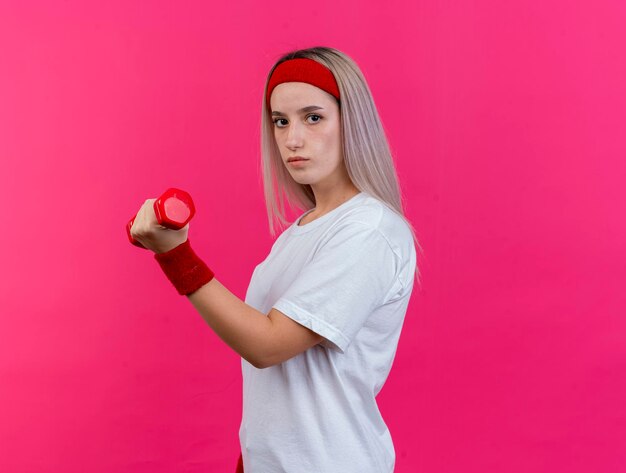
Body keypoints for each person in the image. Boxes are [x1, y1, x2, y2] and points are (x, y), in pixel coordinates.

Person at [129, 46, 422, 473]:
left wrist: (177, 257)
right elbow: (281, 388)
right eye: (280, 121)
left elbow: (267, 345)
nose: (292, 139)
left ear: (352, 122)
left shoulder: (368, 230)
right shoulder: (300, 233)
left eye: (313, 117)